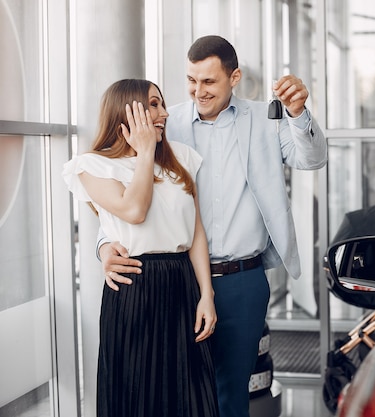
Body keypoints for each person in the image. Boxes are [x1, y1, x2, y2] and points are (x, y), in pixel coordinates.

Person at [99, 36, 327, 417]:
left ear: (233, 77)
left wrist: (299, 114)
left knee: (230, 393)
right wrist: (105, 246)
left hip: (243, 279)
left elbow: (312, 159)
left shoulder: (266, 119)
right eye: (191, 80)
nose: (197, 91)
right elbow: (122, 184)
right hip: (177, 279)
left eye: (209, 82)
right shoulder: (164, 123)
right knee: (176, 392)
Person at [63, 79, 219, 417]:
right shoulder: (93, 165)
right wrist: (146, 151)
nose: (164, 113)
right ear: (127, 111)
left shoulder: (183, 158)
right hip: (135, 284)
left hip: (182, 282)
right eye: (153, 105)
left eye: (161, 104)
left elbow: (196, 234)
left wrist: (206, 294)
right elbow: (135, 211)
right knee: (136, 391)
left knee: (190, 392)